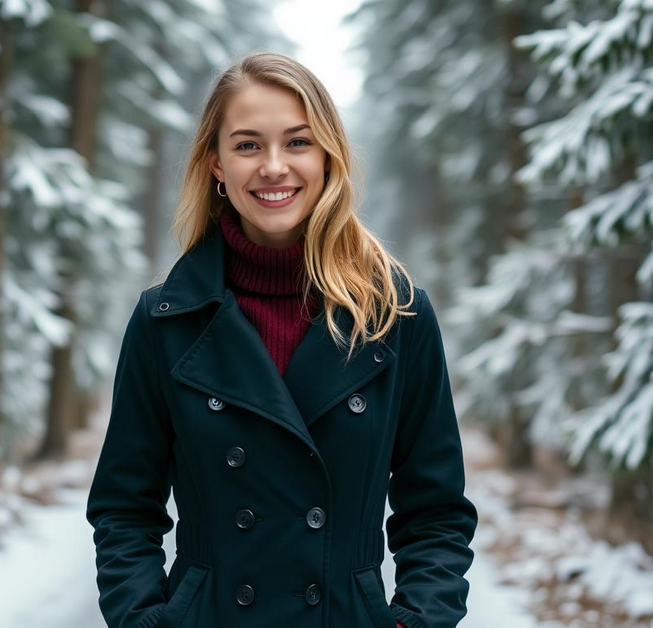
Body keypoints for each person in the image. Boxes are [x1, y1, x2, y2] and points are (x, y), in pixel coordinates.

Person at [86, 51, 478, 628]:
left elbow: (436, 512)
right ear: (216, 164)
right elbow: (125, 507)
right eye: (248, 145)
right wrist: (143, 619)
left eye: (298, 142)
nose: (274, 167)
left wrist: (414, 621)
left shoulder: (394, 315)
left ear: (327, 157)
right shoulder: (165, 320)